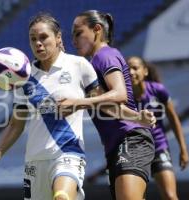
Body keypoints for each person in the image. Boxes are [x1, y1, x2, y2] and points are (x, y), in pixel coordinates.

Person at [0, 13, 155, 200]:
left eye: (43, 37)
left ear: (58, 37)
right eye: (33, 39)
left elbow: (105, 104)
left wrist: (136, 117)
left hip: (68, 155)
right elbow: (16, 124)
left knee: (62, 197)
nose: (38, 43)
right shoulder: (24, 78)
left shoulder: (79, 65)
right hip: (35, 161)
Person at [57, 10, 156, 200]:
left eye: (79, 33)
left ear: (97, 30)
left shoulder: (105, 55)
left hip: (130, 139)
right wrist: (137, 116)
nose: (74, 40)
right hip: (116, 145)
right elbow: (108, 106)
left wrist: (79, 103)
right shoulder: (91, 65)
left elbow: (119, 94)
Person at [127, 56, 189, 200]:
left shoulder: (158, 90)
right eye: (127, 69)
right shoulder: (122, 95)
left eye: (135, 68)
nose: (130, 72)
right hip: (134, 152)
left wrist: (183, 149)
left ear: (145, 71)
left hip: (158, 147)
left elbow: (174, 119)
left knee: (170, 196)